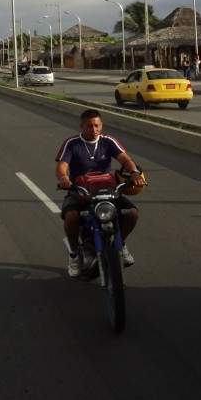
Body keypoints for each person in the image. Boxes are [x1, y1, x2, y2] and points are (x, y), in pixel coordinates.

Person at [55, 108, 146, 276]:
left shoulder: (108, 141)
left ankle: (121, 245)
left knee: (132, 213)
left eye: (97, 125)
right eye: (89, 126)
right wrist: (63, 178)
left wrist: (133, 172)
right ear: (81, 126)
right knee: (71, 216)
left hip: (107, 192)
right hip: (81, 191)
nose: (94, 129)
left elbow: (125, 159)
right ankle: (74, 254)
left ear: (101, 125)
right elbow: (62, 166)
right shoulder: (72, 143)